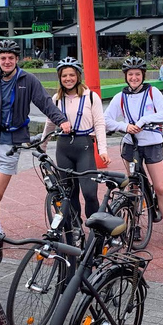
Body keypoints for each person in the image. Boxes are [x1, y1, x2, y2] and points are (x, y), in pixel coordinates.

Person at [0, 39, 70, 232]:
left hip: (11, 143)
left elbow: (45, 102)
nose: (7, 61)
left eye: (11, 58)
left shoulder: (28, 80)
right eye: (3, 58)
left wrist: (61, 120)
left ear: (17, 59)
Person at [104, 56, 163, 244]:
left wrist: (143, 121)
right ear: (125, 76)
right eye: (130, 74)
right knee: (133, 187)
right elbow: (107, 120)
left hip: (152, 143)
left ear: (143, 75)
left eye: (137, 74)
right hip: (131, 145)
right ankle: (136, 225)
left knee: (160, 188)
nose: (134, 77)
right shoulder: (120, 96)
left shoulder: (152, 92)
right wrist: (124, 127)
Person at [42, 57, 110, 223]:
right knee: (69, 192)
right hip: (63, 147)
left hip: (84, 146)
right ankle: (75, 227)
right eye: (64, 75)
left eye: (71, 75)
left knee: (89, 193)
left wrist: (103, 150)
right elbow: (50, 123)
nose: (68, 79)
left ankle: (96, 226)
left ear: (78, 76)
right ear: (60, 78)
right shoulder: (56, 98)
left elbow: (100, 124)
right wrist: (42, 146)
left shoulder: (91, 97)